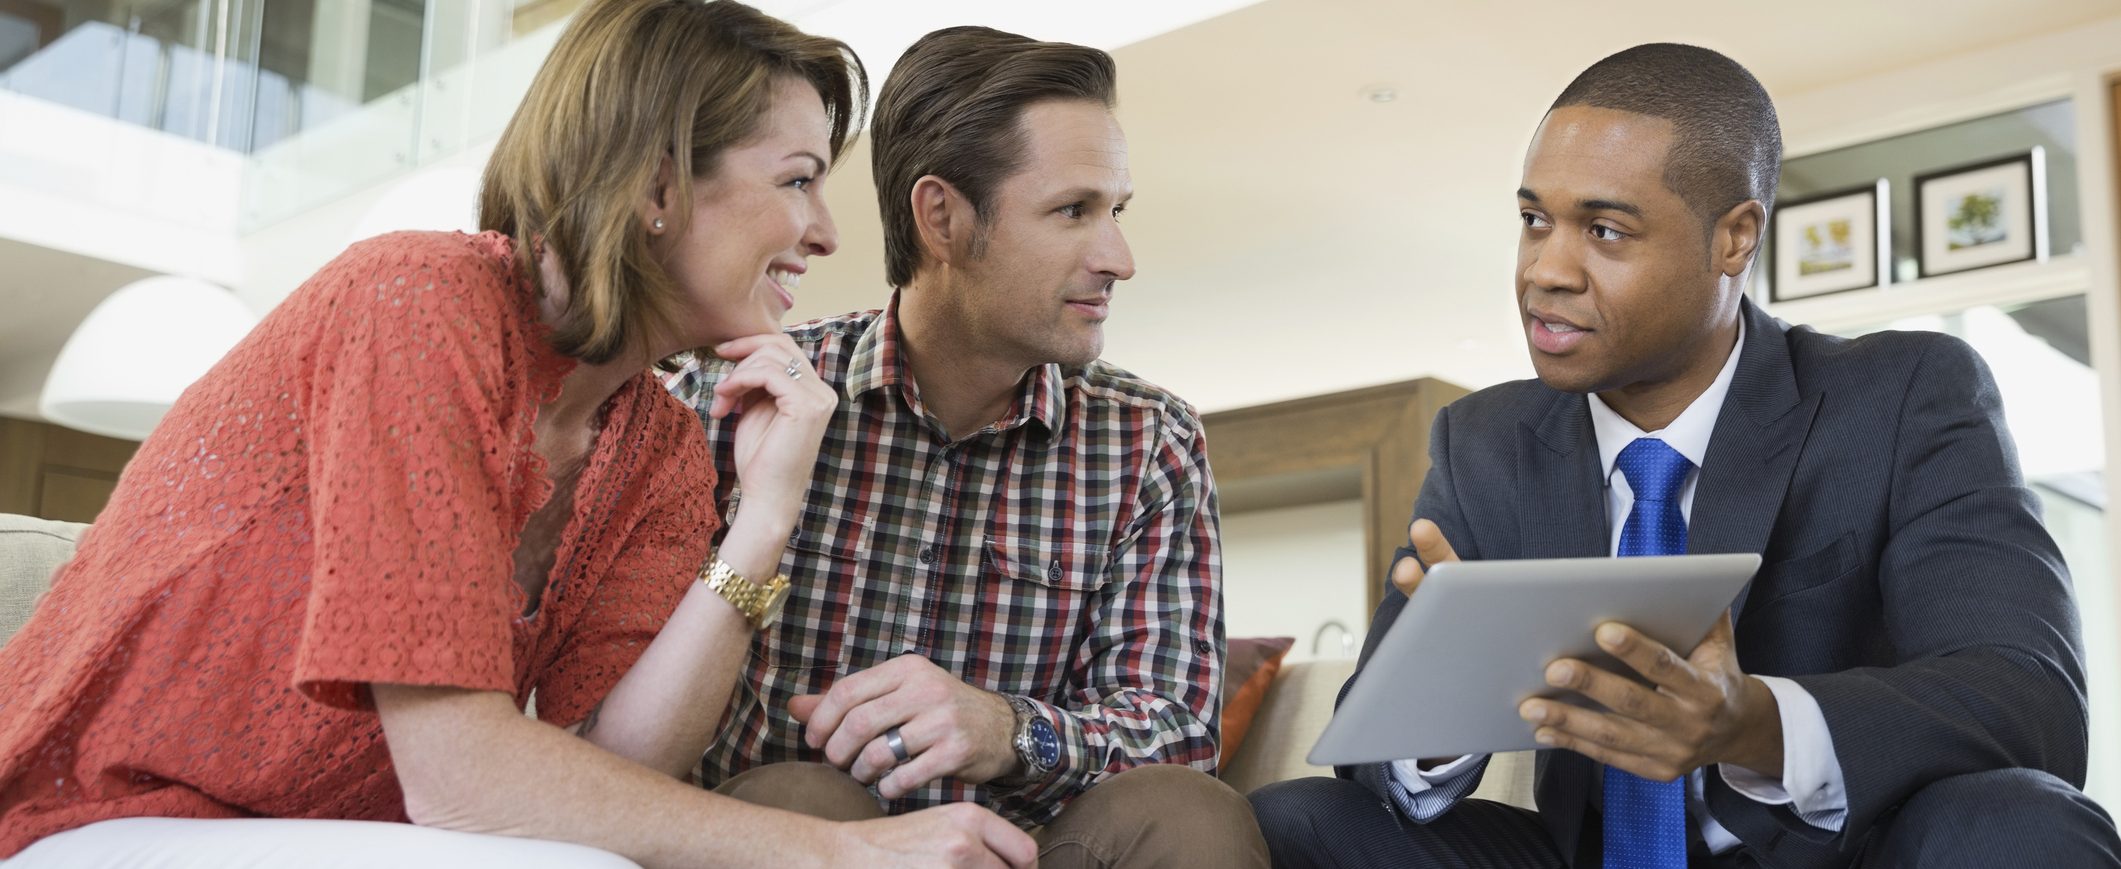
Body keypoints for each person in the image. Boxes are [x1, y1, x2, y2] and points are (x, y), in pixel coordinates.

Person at [0, 2, 1035, 867]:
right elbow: (463, 776)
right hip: (100, 813)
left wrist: (763, 522)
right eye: (797, 177)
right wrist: (845, 850)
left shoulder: (661, 448)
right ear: (659, 184)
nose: (826, 232)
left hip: (328, 837)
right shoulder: (419, 300)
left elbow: (624, 766)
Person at [1250, 43, 2121, 868]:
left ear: (1732, 238)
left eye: (1604, 231)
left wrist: (1753, 724)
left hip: (1835, 851)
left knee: (2023, 819)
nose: (1544, 270)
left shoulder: (1902, 396)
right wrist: (1439, 701)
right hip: (1583, 853)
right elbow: (1368, 762)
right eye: (1533, 220)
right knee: (1293, 823)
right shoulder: (1482, 442)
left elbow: (2025, 697)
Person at [666, 24, 1269, 869]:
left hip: (1033, 851)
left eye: (1115, 211)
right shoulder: (740, 397)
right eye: (1073, 211)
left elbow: (1176, 727)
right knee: (797, 792)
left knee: (1187, 812)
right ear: (940, 216)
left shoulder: (1148, 439)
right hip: (804, 841)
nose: (1119, 258)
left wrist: (1008, 731)